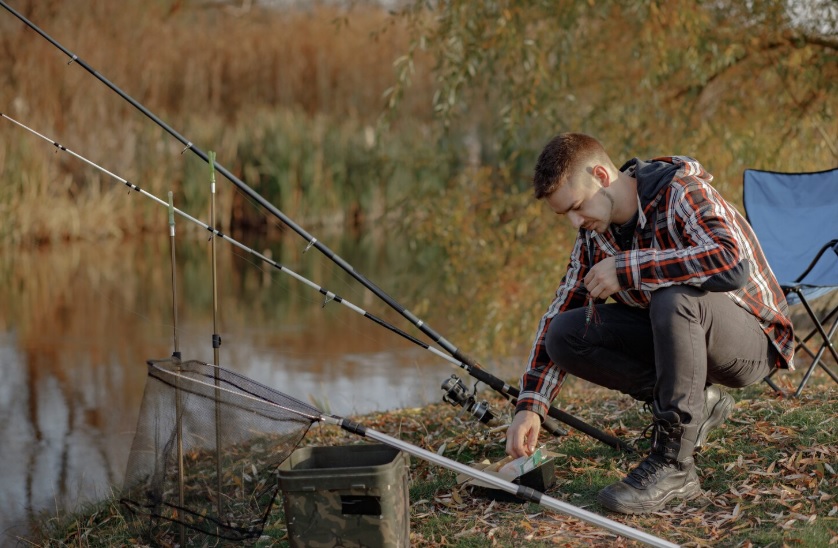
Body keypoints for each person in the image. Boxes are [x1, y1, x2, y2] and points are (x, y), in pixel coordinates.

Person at [505, 133, 795, 514]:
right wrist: (530, 405)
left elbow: (731, 263)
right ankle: (698, 405)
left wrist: (630, 268)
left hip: (751, 340)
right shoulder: (594, 236)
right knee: (566, 333)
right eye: (566, 216)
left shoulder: (681, 192)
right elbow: (560, 309)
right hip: (682, 332)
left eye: (577, 206)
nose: (576, 221)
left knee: (672, 296)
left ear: (601, 175)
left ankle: (675, 465)